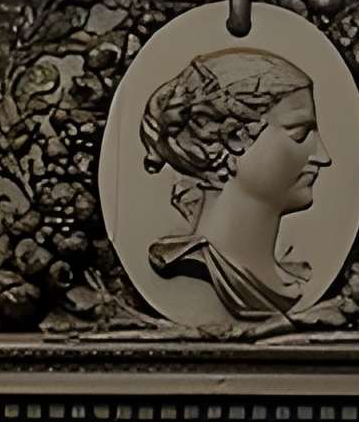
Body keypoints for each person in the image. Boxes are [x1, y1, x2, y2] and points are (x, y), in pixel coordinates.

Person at [138, 47, 329, 317]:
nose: (323, 156)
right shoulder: (199, 267)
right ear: (233, 139)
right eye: (299, 133)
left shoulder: (297, 279)